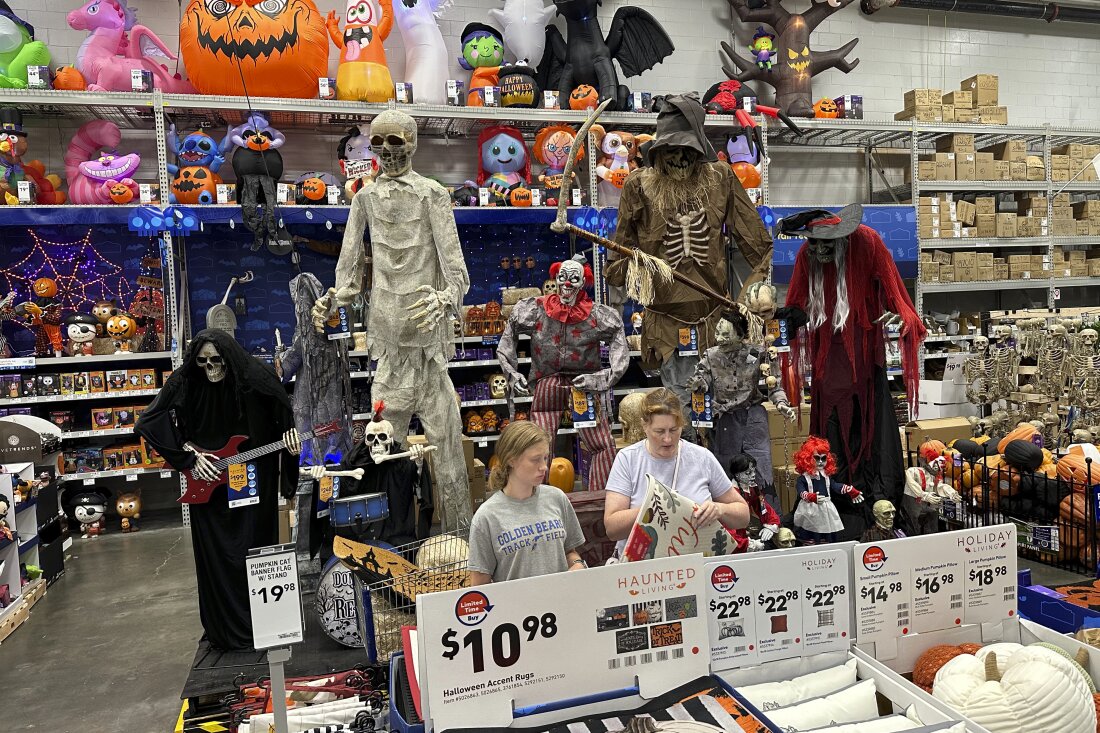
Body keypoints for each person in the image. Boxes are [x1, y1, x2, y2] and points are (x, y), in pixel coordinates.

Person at [603, 388, 750, 553]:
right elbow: (612, 528)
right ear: (645, 426)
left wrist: (719, 509)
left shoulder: (701, 457)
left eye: (674, 430)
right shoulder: (628, 459)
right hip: (644, 569)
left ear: (681, 425)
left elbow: (743, 516)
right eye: (659, 431)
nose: (667, 439)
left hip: (695, 562)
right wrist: (654, 508)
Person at [468, 422, 587, 585]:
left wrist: (577, 565)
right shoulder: (486, 517)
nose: (544, 467)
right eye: (535, 460)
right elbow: (479, 586)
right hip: (517, 609)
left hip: (561, 603)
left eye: (545, 458)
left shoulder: (557, 498)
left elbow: (569, 551)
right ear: (511, 460)